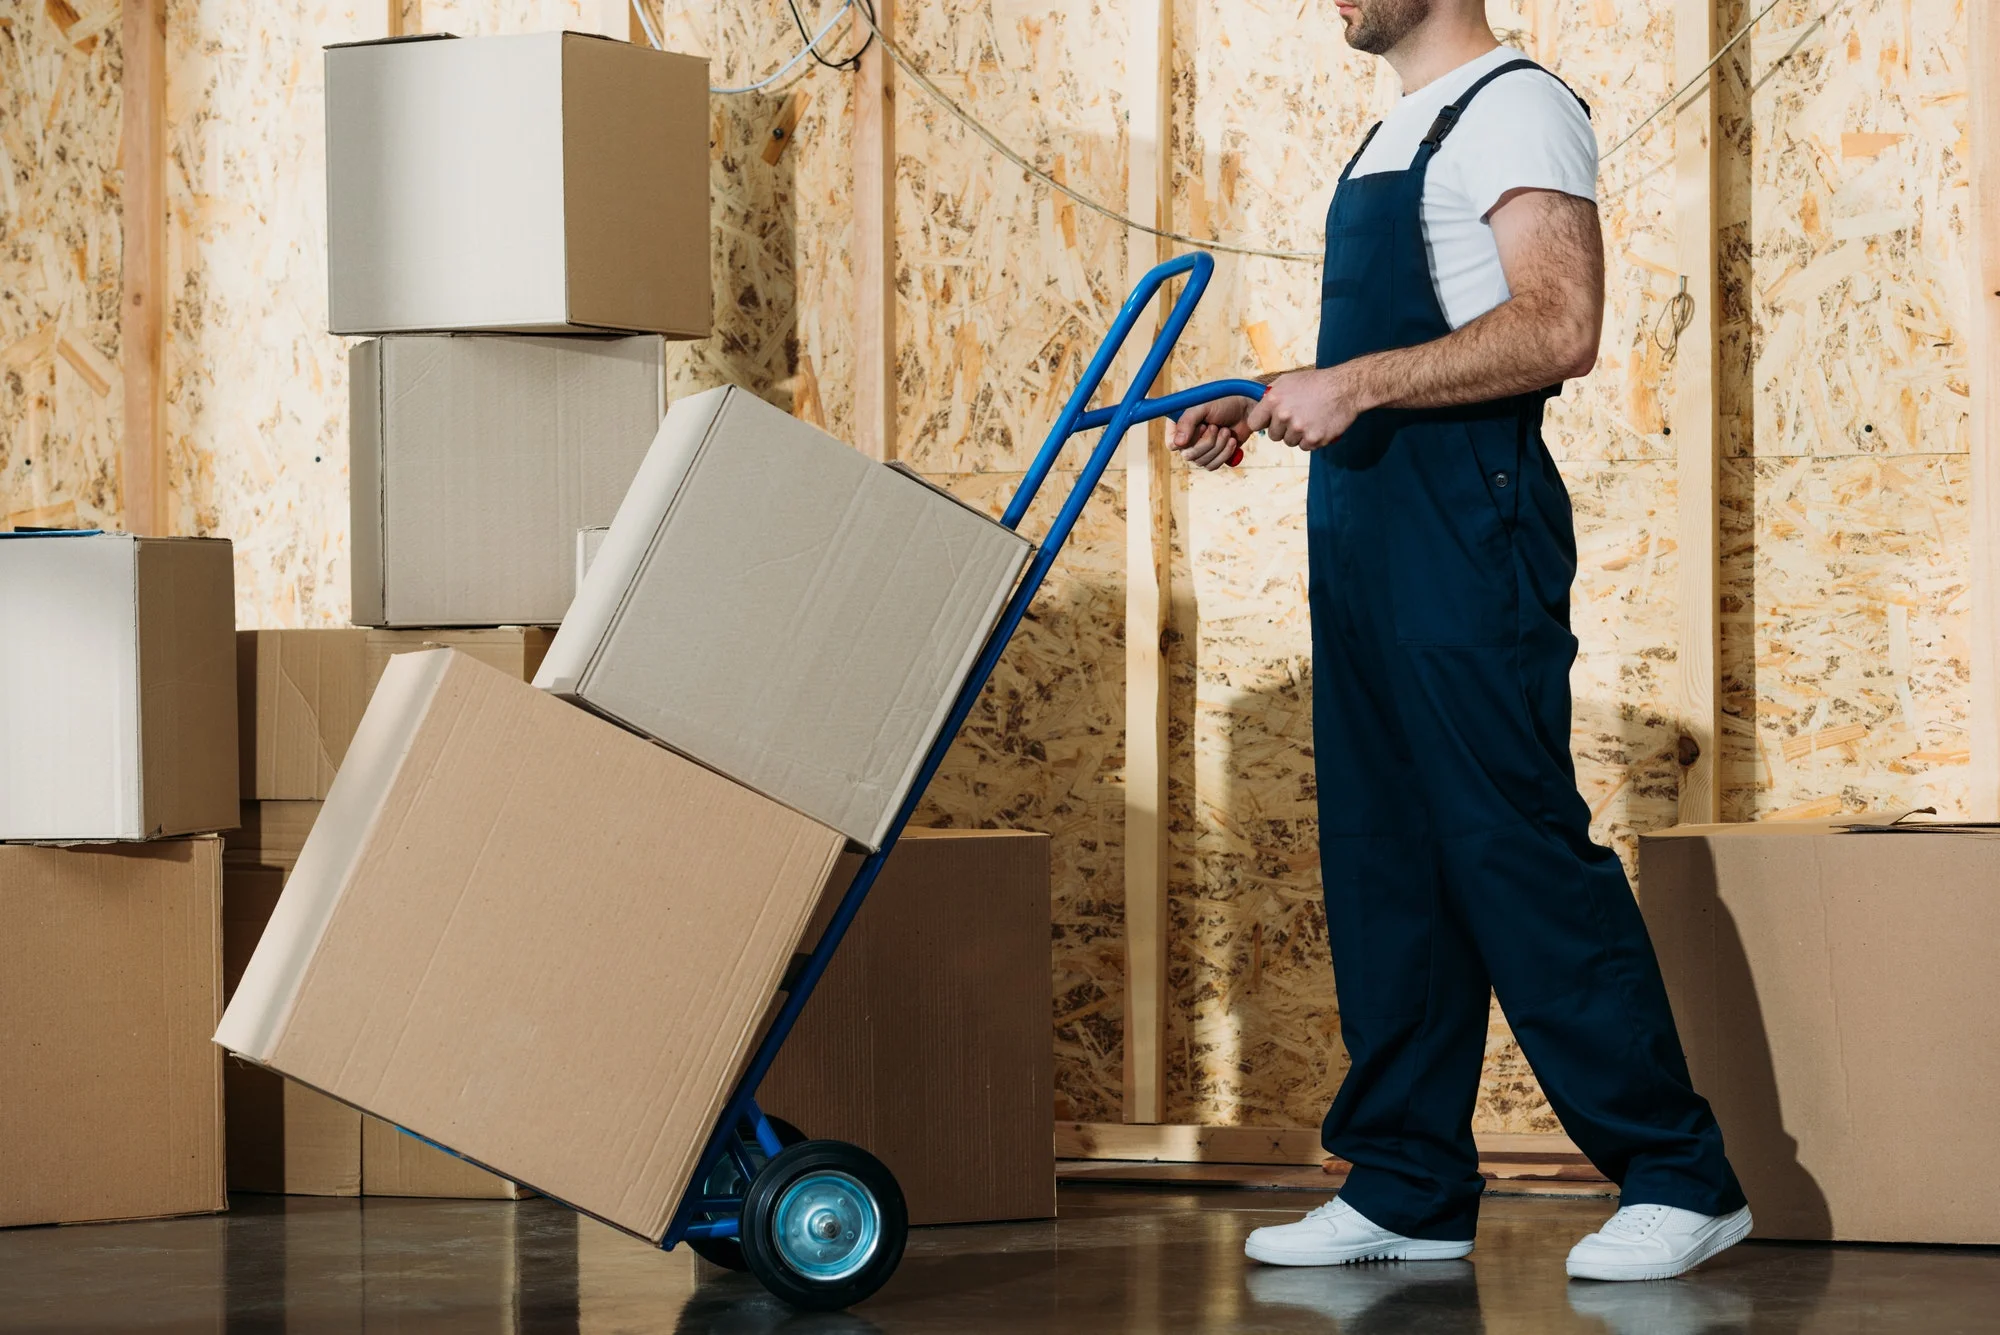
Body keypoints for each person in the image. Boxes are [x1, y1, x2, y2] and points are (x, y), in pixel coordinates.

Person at [1171, 0, 1751, 1283]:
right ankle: (1407, 1182)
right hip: (1365, 535)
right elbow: (1394, 348)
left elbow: (1558, 326)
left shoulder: (1515, 109)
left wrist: (1356, 383)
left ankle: (1677, 1174)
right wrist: (1272, 394)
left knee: (1507, 843)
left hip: (1464, 530)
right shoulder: (1393, 132)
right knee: (1384, 856)